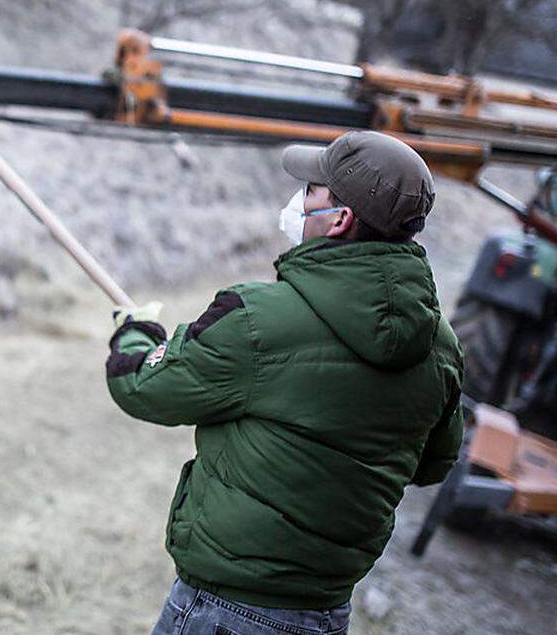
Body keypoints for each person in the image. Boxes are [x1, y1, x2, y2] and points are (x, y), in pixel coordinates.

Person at [105, 131, 464, 635]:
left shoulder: (256, 318)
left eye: (313, 190)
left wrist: (136, 334)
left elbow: (142, 386)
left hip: (226, 613)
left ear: (339, 220)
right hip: (325, 614)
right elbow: (433, 463)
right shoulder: (443, 346)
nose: (299, 198)